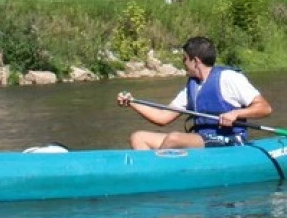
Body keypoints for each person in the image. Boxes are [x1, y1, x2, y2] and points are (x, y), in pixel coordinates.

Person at [116, 36, 271, 150]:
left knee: (174, 138)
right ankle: (146, 171)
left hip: (230, 140)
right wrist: (133, 102)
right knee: (139, 137)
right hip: (202, 139)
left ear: (195, 61)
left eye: (185, 59)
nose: (183, 63)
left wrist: (236, 113)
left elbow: (264, 108)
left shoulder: (229, 78)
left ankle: (157, 173)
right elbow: (162, 118)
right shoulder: (193, 85)